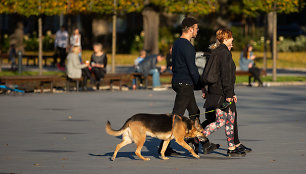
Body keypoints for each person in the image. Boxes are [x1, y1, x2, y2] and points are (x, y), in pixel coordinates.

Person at [201, 28, 251, 157]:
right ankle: (197, 137)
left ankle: (232, 148)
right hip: (221, 92)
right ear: (226, 38)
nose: (233, 39)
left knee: (230, 119)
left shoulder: (216, 52)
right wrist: (229, 94)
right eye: (231, 37)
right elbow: (226, 76)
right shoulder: (224, 53)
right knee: (221, 121)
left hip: (217, 90)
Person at [158, 17, 203, 156]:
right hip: (185, 83)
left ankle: (197, 141)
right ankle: (163, 147)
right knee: (176, 117)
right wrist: (201, 84)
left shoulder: (177, 43)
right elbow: (192, 68)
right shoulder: (188, 46)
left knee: (195, 112)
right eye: (196, 28)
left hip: (179, 81)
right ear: (190, 29)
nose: (197, 30)